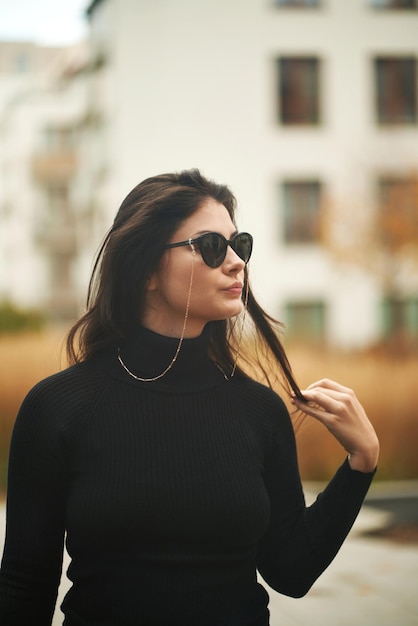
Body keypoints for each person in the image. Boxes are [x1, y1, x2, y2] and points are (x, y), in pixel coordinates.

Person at [0, 169, 379, 626]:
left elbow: (290, 571)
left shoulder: (258, 410)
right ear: (144, 272)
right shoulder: (59, 407)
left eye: (240, 246)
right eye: (213, 247)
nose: (237, 262)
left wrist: (362, 461)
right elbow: (25, 584)